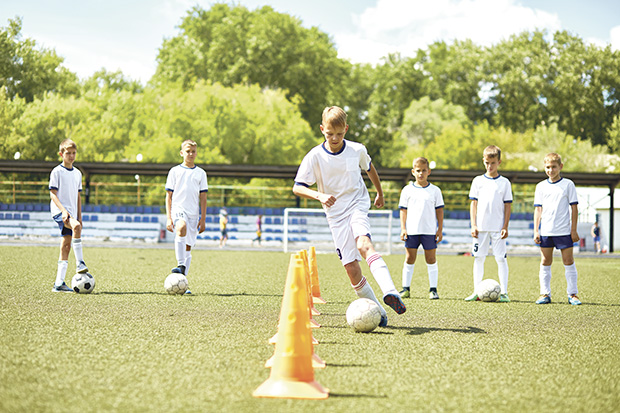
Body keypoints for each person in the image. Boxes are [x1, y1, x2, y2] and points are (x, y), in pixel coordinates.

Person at [293, 106, 406, 326]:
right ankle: (380, 313)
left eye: (339, 134)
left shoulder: (357, 150)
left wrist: (379, 193)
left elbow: (370, 168)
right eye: (329, 134)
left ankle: (391, 291)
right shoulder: (314, 156)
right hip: (335, 215)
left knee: (364, 244)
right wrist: (319, 195)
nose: (335, 138)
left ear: (346, 129)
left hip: (357, 204)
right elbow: (297, 187)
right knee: (352, 269)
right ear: (322, 129)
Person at [465, 145, 512, 302]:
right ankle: (477, 291)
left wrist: (505, 226)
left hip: (498, 229)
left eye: (492, 163)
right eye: (486, 163)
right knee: (478, 258)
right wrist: (473, 224)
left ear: (499, 162)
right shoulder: (478, 181)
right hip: (481, 228)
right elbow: (473, 204)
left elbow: (507, 205)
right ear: (483, 162)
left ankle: (504, 292)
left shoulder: (504, 183)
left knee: (501, 259)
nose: (489, 166)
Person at [533, 153, 581, 305]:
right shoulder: (540, 186)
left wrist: (573, 230)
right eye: (548, 167)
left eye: (554, 167)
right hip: (546, 231)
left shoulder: (568, 185)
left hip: (564, 231)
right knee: (545, 261)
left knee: (568, 260)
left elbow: (574, 208)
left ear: (560, 167)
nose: (551, 170)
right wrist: (536, 230)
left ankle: (572, 294)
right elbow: (538, 210)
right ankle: (544, 294)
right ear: (544, 168)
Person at [398, 157, 444, 300]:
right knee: (410, 258)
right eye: (418, 171)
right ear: (413, 172)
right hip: (412, 230)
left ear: (429, 171)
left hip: (429, 231)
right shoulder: (407, 190)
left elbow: (440, 211)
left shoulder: (435, 190)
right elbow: (403, 210)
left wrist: (439, 229)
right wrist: (403, 228)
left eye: (424, 170)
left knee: (431, 259)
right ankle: (405, 289)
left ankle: (433, 289)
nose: (421, 173)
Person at [165, 139, 208, 294]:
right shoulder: (174, 171)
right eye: (188, 151)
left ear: (196, 153)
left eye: (193, 151)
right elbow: (169, 196)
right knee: (181, 227)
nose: (191, 154)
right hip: (178, 210)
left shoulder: (201, 173)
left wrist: (202, 219)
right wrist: (169, 217)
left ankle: (183, 281)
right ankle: (180, 265)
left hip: (193, 214)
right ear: (181, 153)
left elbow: (203, 197)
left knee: (188, 247)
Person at [49, 139, 89, 292]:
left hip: (71, 213)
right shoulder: (57, 171)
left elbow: (78, 197)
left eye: (73, 153)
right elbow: (53, 194)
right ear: (61, 154)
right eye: (68, 153)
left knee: (66, 246)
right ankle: (80, 263)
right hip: (59, 212)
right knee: (76, 227)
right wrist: (64, 211)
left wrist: (79, 216)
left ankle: (59, 284)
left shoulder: (78, 173)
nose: (71, 156)